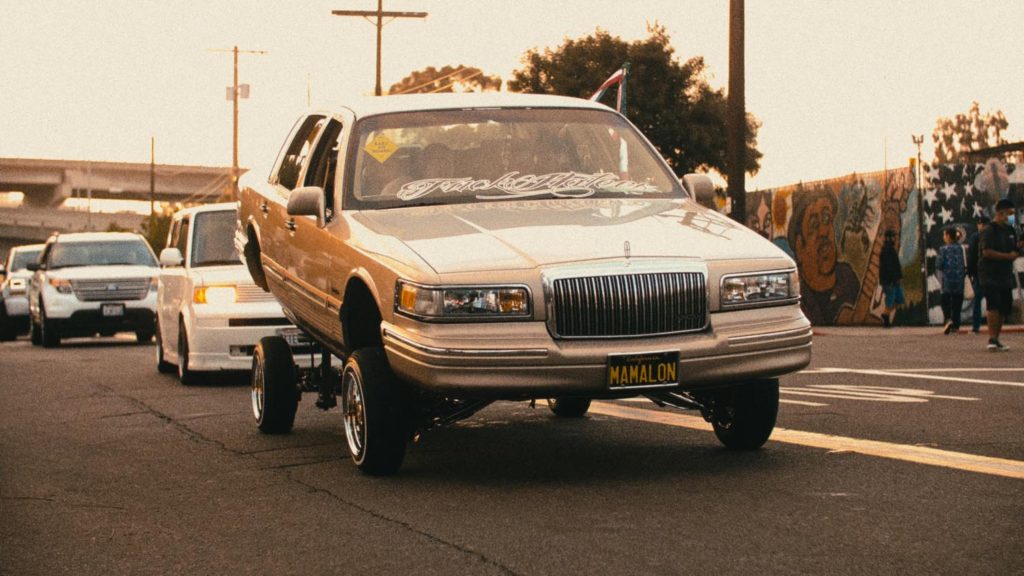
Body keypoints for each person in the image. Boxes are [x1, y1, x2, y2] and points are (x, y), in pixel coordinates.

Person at [789, 188, 859, 325]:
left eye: (827, 219)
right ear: (799, 246)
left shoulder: (848, 279)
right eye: (814, 225)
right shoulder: (796, 295)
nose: (823, 231)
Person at [978, 199, 1020, 351]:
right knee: (994, 304)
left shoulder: (1010, 231)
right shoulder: (989, 230)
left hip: (1005, 274)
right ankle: (991, 338)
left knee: (1004, 306)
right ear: (1000, 213)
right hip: (990, 274)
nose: (1012, 218)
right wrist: (1007, 257)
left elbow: (1015, 248)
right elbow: (986, 252)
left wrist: (1018, 249)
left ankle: (996, 338)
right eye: (1010, 214)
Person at [936, 227, 967, 334]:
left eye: (944, 235)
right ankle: (956, 326)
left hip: (947, 280)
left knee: (945, 302)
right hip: (959, 280)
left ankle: (948, 319)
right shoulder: (961, 248)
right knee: (957, 304)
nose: (943, 237)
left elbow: (939, 265)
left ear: (948, 236)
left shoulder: (943, 249)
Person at [966, 216, 989, 333]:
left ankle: (976, 327)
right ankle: (994, 325)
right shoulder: (992, 236)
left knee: (977, 301)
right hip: (992, 272)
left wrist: (970, 272)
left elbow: (971, 256)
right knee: (992, 300)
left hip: (979, 272)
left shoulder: (975, 237)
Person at [878, 229, 904, 327]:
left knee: (899, 300)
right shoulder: (887, 250)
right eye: (893, 237)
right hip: (890, 281)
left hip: (894, 281)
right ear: (888, 238)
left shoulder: (890, 249)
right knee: (890, 300)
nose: (895, 239)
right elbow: (889, 267)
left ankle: (885, 315)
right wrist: (894, 279)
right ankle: (886, 319)